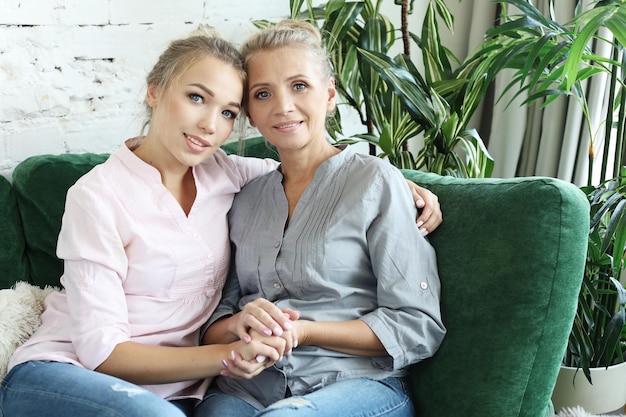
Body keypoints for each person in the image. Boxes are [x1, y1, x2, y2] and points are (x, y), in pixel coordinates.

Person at [0, 28, 441, 417]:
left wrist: (402, 184)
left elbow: (320, 171)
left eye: (228, 111)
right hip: (77, 372)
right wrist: (231, 351)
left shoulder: (226, 175)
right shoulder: (102, 196)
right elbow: (105, 351)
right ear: (154, 91)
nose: (210, 125)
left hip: (217, 389)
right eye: (196, 97)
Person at [199, 19, 447, 417]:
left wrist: (304, 331)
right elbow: (215, 322)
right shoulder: (244, 198)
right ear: (249, 111)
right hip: (248, 388)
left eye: (299, 86)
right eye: (263, 94)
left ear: (329, 94)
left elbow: (415, 324)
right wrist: (240, 325)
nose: (282, 106)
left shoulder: (375, 182)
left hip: (356, 384)